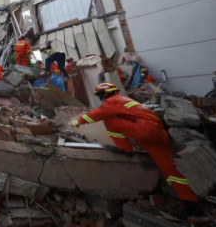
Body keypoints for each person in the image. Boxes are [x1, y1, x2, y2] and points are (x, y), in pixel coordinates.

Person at [71, 83, 201, 216]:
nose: (100, 98)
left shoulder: (112, 102)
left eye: (100, 95)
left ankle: (125, 149)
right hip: (158, 134)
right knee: (170, 171)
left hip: (145, 131)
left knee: (109, 120)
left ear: (105, 94)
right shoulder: (125, 100)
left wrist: (78, 122)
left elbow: (97, 113)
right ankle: (191, 205)